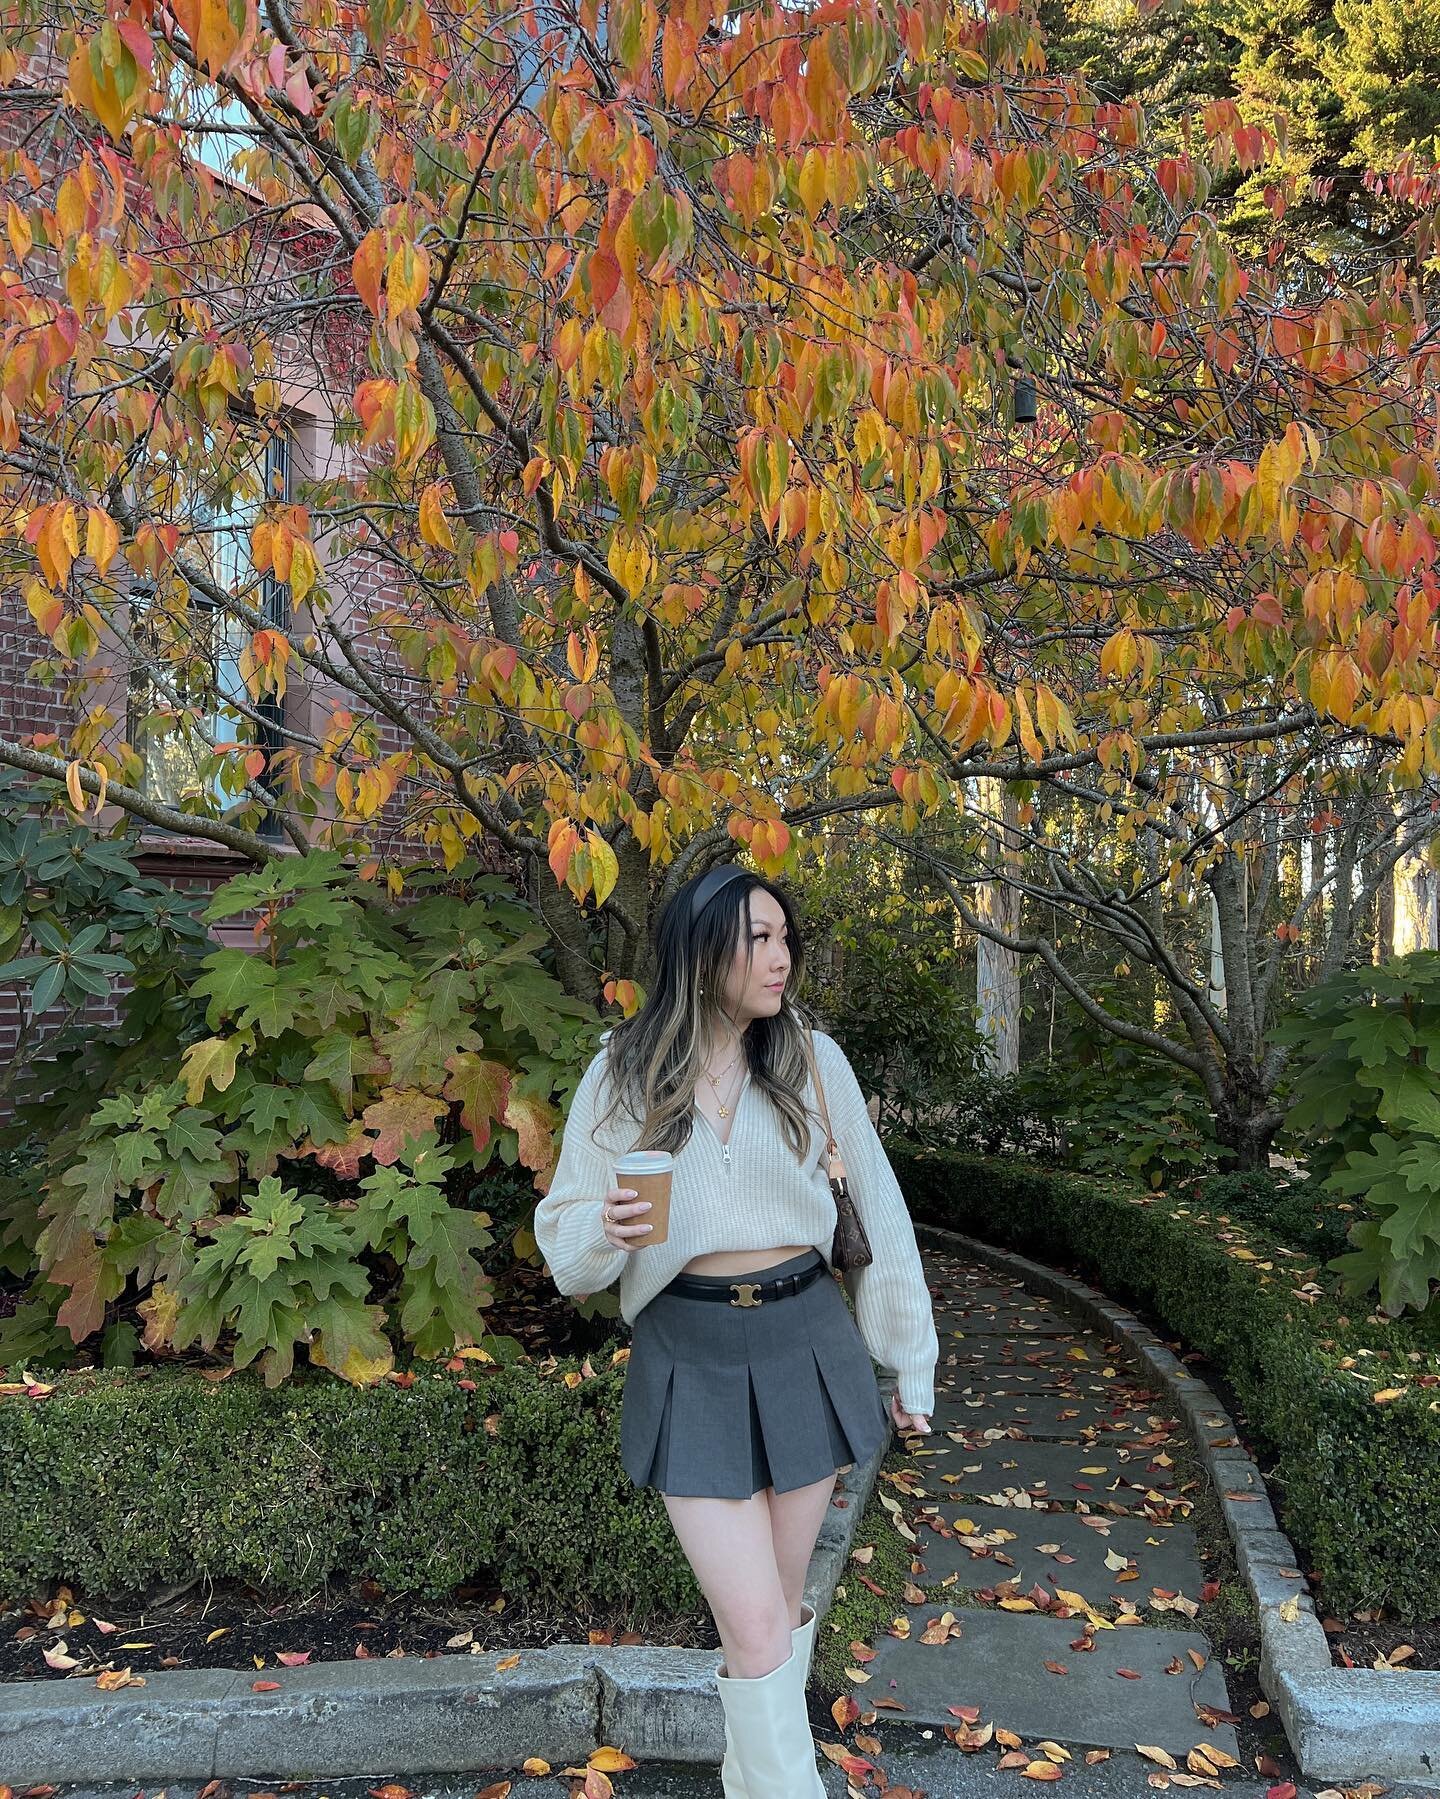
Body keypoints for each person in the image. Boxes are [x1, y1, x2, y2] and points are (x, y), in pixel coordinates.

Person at [533, 863, 938, 1796]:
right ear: (703, 947)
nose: (781, 956)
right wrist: (608, 1230)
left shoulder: (811, 1059)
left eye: (785, 937)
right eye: (758, 937)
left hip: (806, 1340)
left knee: (774, 1618)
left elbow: (880, 1209)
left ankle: (747, 1780)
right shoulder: (624, 1068)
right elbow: (567, 1243)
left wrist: (909, 1358)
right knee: (757, 1625)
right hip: (690, 1355)